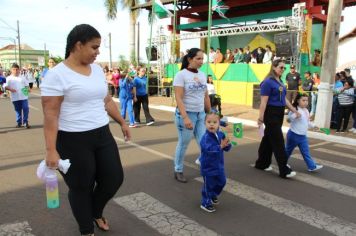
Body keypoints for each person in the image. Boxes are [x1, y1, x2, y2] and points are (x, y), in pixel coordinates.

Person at [40, 24, 130, 236]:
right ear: (77, 45)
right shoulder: (56, 75)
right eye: (94, 47)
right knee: (81, 186)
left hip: (102, 134)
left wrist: (122, 122)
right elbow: (50, 115)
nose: (98, 52)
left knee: (113, 178)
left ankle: (95, 211)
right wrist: (50, 150)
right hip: (72, 140)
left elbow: (106, 100)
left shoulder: (97, 70)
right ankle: (86, 229)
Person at [255, 59, 300, 178]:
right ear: (274, 67)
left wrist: (294, 110)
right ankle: (284, 169)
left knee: (268, 139)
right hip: (271, 113)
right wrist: (260, 118)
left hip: (279, 113)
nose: (283, 70)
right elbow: (263, 102)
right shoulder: (267, 82)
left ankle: (261, 163)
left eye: (284, 68)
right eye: (281, 67)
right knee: (278, 141)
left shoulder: (280, 81)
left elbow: (284, 99)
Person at [173, 48, 211, 183]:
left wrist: (210, 113)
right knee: (184, 144)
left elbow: (205, 95)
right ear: (190, 59)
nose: (201, 61)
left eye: (202, 59)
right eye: (198, 59)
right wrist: (185, 117)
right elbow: (178, 98)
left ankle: (206, 169)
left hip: (200, 114)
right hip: (186, 114)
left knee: (204, 143)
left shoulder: (202, 74)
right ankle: (178, 170)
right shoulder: (181, 75)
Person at [199, 112, 231, 213]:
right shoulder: (205, 138)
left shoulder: (221, 134)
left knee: (222, 182)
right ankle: (206, 202)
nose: (211, 124)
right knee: (208, 186)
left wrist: (227, 144)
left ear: (218, 123)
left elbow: (226, 147)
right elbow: (209, 149)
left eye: (214, 122)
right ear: (205, 123)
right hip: (208, 167)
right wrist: (220, 147)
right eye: (209, 122)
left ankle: (213, 194)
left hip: (219, 165)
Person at [285, 93, 323, 171]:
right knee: (288, 151)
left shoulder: (306, 110)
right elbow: (288, 120)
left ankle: (312, 166)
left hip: (302, 136)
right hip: (293, 135)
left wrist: (314, 126)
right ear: (298, 101)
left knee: (306, 152)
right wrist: (295, 115)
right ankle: (282, 163)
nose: (306, 102)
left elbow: (307, 122)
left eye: (307, 100)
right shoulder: (294, 109)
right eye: (303, 100)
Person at [4, 63, 31, 128]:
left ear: (19, 70)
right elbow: (5, 86)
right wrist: (10, 89)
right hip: (15, 97)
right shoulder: (8, 78)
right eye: (14, 69)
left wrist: (28, 89)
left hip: (24, 95)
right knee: (18, 110)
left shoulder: (22, 77)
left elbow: (27, 85)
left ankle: (25, 122)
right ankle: (19, 122)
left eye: (17, 69)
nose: (15, 71)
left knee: (26, 108)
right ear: (11, 70)